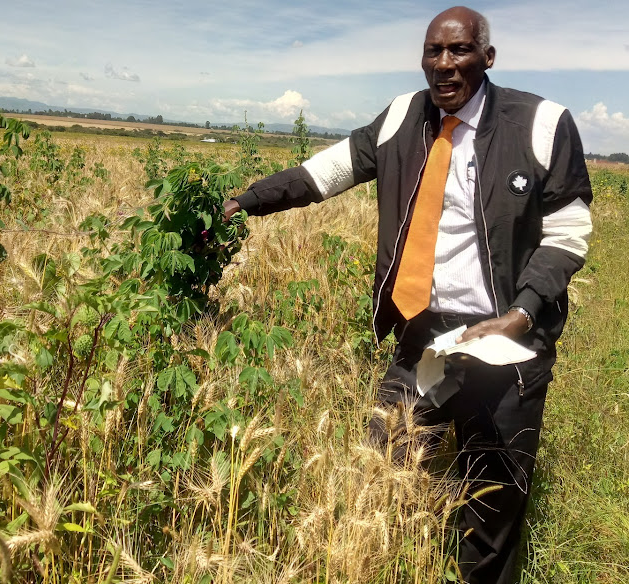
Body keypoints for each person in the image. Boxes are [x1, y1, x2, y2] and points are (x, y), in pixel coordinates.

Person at [223, 5, 592, 583]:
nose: (444, 66)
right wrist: (246, 201)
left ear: (486, 58)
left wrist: (521, 314)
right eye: (433, 52)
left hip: (505, 342)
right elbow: (326, 172)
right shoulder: (402, 118)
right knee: (381, 466)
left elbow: (569, 235)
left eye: (460, 51)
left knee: (491, 503)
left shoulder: (541, 124)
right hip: (425, 338)